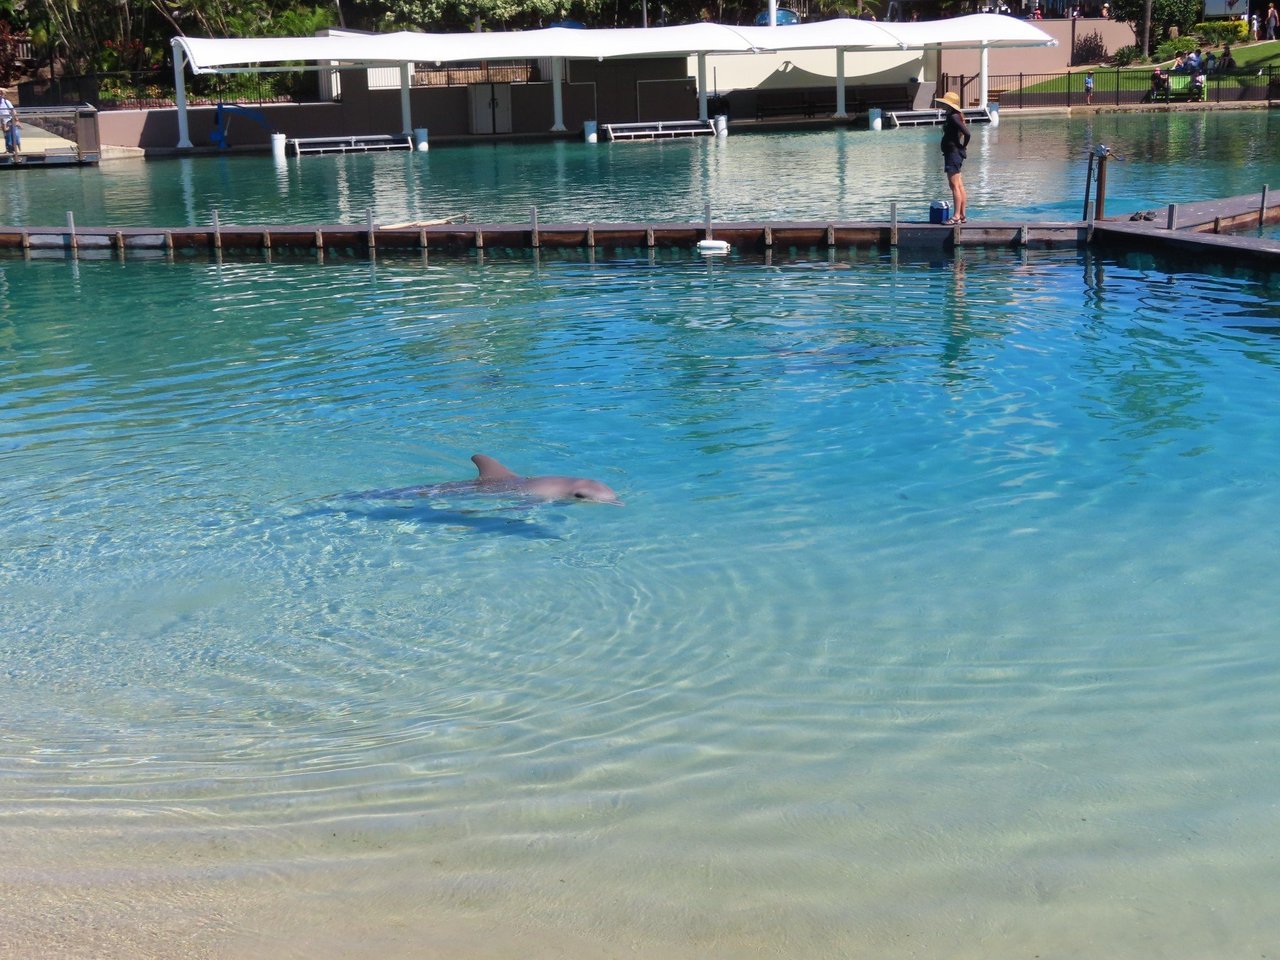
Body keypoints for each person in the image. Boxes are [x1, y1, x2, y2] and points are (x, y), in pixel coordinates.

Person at [935, 90, 970, 225]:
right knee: (959, 185)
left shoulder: (954, 117)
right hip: (953, 153)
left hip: (953, 154)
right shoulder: (954, 115)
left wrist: (963, 146)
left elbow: (967, 133)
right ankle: (962, 215)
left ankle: (956, 216)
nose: (943, 106)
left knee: (954, 185)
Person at [0, 88, 19, 159]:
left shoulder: (6, 101)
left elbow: (13, 110)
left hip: (8, 120)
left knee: (10, 134)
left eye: (1, 94)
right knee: (5, 135)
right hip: (2, 121)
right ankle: (8, 149)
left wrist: (17, 120)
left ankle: (12, 149)